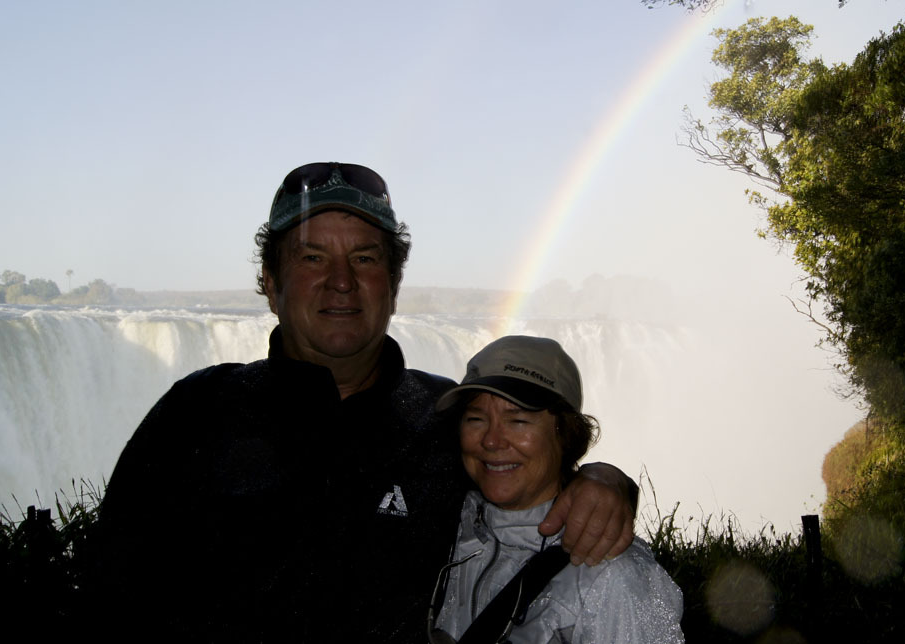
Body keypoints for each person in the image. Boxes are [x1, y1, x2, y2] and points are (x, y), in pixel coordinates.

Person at [92, 162, 637, 642]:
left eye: (364, 258)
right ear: (269, 282)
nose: (341, 282)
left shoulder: (449, 415)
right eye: (311, 256)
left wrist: (606, 480)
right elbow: (111, 591)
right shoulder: (197, 412)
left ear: (393, 284)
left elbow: (530, 489)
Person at [430, 336, 685, 644]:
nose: (491, 441)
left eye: (518, 420)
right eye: (475, 419)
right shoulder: (436, 527)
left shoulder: (611, 578)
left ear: (567, 433)